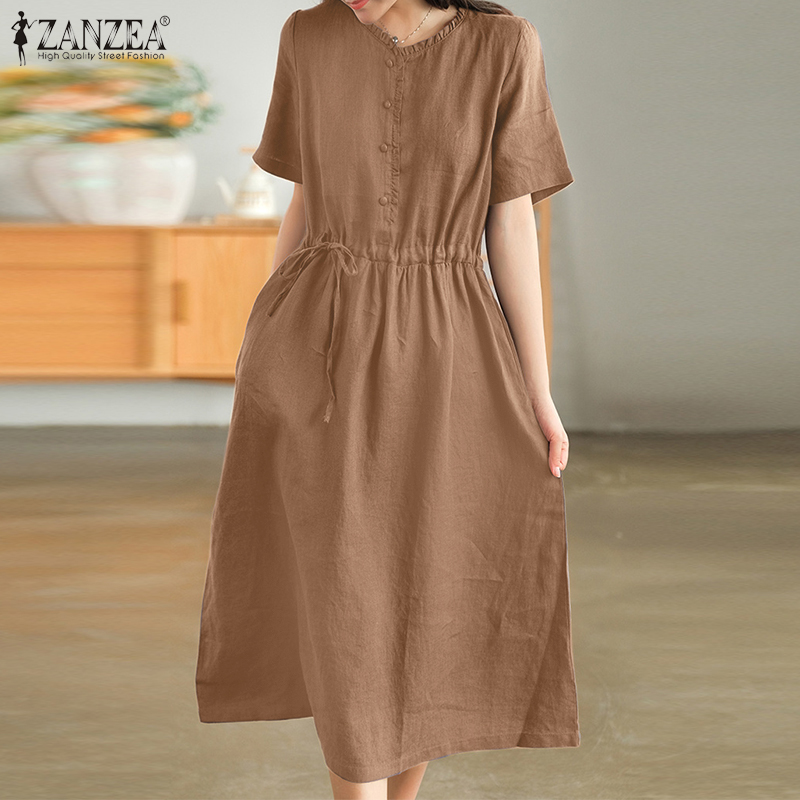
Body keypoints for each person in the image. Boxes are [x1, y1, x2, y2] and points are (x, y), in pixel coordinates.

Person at [195, 1, 580, 798]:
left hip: (452, 346)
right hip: (319, 342)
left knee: (426, 581)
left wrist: (537, 388)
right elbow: (304, 203)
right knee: (347, 588)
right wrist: (261, 340)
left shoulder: (505, 45)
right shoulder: (309, 35)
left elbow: (511, 223)